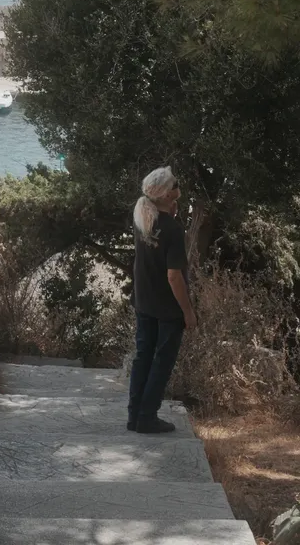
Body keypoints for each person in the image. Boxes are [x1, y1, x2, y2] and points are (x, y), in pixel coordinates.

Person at [127, 166, 197, 434]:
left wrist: (171, 212)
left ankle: (135, 416)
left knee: (143, 357)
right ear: (168, 194)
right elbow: (174, 277)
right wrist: (188, 312)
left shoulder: (141, 217)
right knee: (162, 361)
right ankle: (147, 417)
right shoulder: (172, 229)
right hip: (167, 308)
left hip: (143, 301)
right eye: (176, 184)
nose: (180, 185)